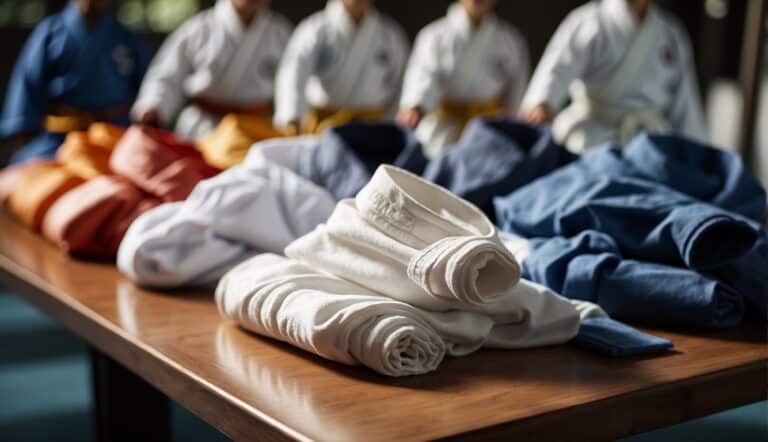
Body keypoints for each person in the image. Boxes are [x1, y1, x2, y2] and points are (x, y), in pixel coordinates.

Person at [519, 0, 707, 153]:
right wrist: (542, 103)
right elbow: (556, 70)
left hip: (652, 144)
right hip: (592, 139)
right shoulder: (588, 21)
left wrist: (697, 151)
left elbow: (686, 103)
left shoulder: (670, 33)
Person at [0, 0, 149, 165]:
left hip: (115, 138)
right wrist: (22, 142)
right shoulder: (51, 32)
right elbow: (26, 90)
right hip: (58, 141)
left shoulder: (126, 38)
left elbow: (147, 94)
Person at [132, 0, 292, 140]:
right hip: (204, 128)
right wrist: (153, 106)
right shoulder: (199, 28)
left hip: (256, 129)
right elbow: (167, 74)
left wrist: (291, 116)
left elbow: (292, 84)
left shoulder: (280, 32)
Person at [397, 0, 530, 159]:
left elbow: (517, 93)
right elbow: (423, 75)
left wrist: (511, 128)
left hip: (489, 136)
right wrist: (417, 105)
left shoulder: (511, 41)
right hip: (440, 134)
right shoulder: (434, 36)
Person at [273, 0, 410, 135]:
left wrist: (394, 121)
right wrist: (292, 116)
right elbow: (293, 73)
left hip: (374, 128)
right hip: (325, 128)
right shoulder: (316, 29)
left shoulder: (390, 34)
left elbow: (402, 83)